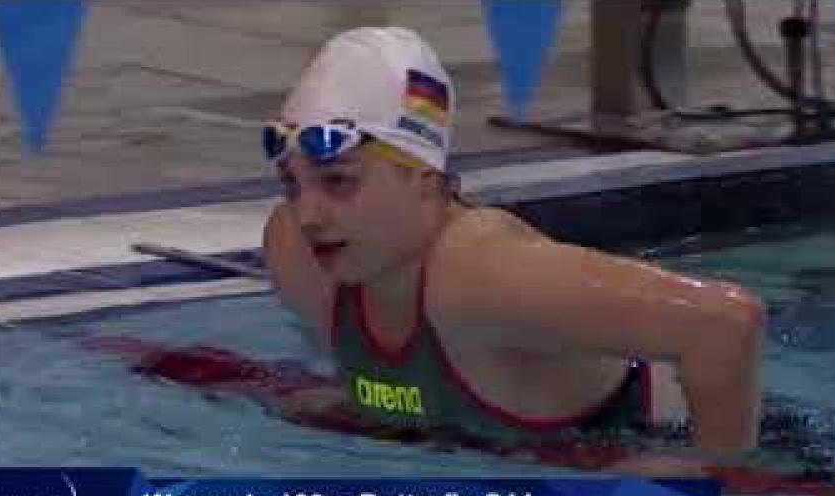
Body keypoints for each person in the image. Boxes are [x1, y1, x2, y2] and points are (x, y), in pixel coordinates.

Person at [261, 27, 766, 464]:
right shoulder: (299, 256)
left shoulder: (478, 274)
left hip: (668, 440)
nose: (307, 215)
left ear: (423, 177)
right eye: (292, 184)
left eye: (337, 182)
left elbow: (725, 324)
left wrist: (711, 483)